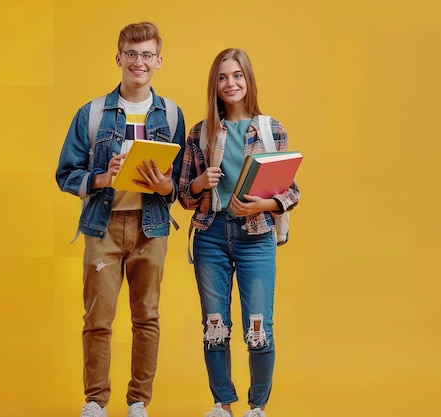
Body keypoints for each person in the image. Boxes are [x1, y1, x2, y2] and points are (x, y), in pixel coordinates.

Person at [55, 22, 185, 417]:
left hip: (151, 228)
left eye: (147, 55)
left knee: (147, 317)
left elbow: (179, 184)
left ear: (159, 61)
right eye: (132, 54)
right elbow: (66, 173)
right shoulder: (91, 112)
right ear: (119, 58)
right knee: (98, 319)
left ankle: (138, 402)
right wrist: (100, 177)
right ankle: (95, 401)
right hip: (103, 226)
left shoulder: (174, 114)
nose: (139, 62)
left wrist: (165, 186)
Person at [178, 48, 300, 417]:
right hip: (211, 234)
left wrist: (261, 205)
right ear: (214, 85)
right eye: (222, 77)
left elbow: (291, 192)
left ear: (248, 81)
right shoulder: (200, 133)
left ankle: (257, 407)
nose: (230, 84)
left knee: (258, 325)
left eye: (237, 76)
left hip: (256, 235)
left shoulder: (270, 128)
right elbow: (183, 195)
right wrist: (199, 184)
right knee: (215, 324)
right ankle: (222, 404)